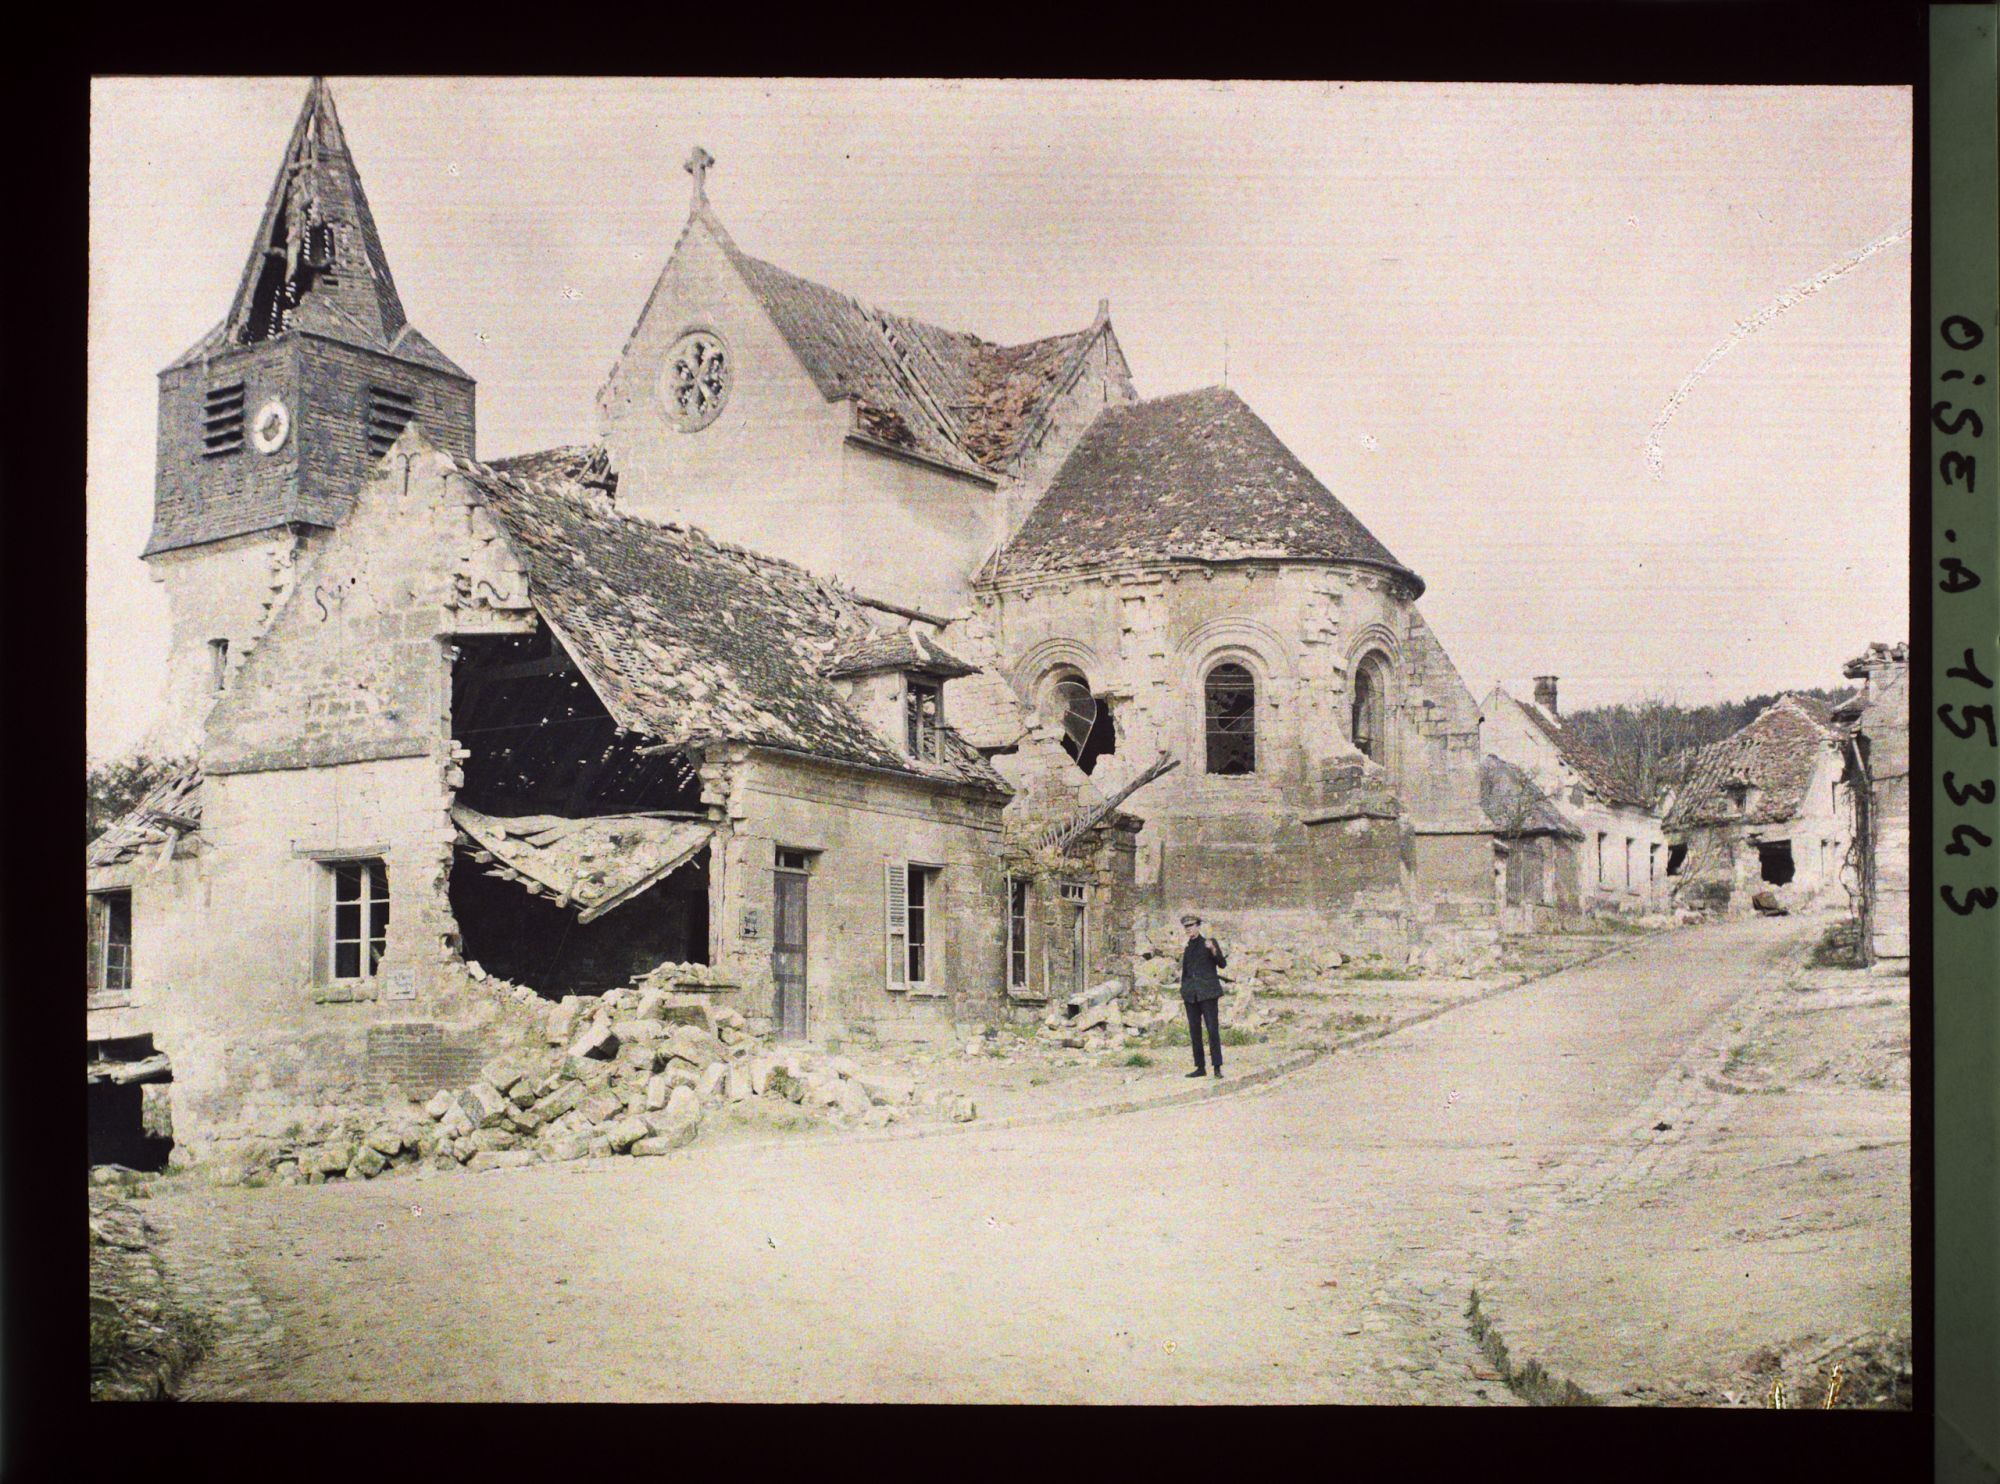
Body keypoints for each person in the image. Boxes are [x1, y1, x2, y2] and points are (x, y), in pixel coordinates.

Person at [1178, 913, 1228, 1078]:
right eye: (1186, 927)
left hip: (1208, 994)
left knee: (1212, 1030)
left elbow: (1222, 964)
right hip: (1191, 996)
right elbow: (1186, 972)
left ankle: (1217, 1067)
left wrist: (1213, 950)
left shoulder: (1209, 943)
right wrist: (1184, 990)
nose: (1189, 929)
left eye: (1192, 925)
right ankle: (1200, 1067)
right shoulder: (1187, 947)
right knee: (1194, 1031)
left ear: (1198, 926)